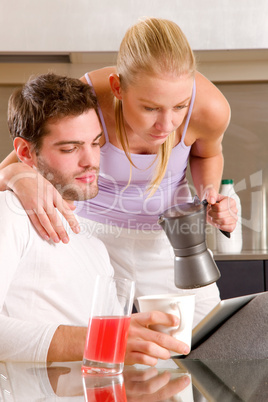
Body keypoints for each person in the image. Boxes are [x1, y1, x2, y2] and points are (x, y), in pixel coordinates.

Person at [0, 18, 238, 326]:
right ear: (118, 88)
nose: (167, 125)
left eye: (180, 106)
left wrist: (209, 196)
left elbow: (208, 152)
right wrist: (20, 178)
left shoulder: (210, 109)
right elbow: (20, 159)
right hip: (90, 237)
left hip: (170, 241)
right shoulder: (88, 99)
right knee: (99, 344)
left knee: (209, 338)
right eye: (150, 108)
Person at [0, 73, 190, 363]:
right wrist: (103, 339)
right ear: (26, 152)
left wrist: (141, 345)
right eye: (70, 148)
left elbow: (108, 354)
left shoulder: (93, 246)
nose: (90, 160)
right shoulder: (11, 214)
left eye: (96, 143)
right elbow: (102, 341)